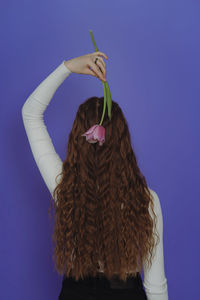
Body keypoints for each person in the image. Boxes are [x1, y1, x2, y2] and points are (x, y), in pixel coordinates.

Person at [21, 51, 169, 300]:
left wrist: (67, 67)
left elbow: (30, 115)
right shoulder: (146, 201)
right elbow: (156, 287)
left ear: (78, 140)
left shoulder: (65, 188)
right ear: (123, 144)